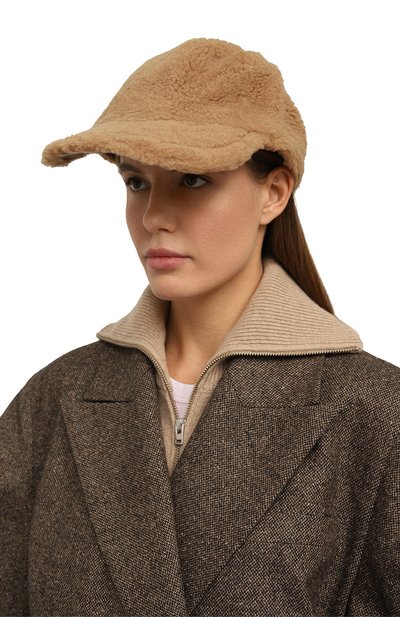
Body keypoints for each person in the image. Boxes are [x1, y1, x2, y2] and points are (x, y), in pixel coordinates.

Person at [0, 37, 399, 617]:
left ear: (273, 193)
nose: (154, 216)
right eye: (136, 182)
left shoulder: (376, 413)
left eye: (191, 180)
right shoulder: (54, 400)